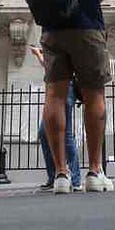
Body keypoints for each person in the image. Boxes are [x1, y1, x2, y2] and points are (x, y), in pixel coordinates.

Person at [21, 0, 115, 194]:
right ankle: (94, 171)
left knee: (55, 95)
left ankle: (61, 174)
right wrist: (90, 3)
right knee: (93, 92)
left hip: (51, 29)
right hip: (86, 26)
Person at [31, 45, 81, 191]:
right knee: (43, 133)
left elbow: (51, 66)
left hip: (65, 88)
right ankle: (55, 176)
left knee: (66, 135)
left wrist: (39, 55)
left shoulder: (63, 44)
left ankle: (75, 179)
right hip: (55, 90)